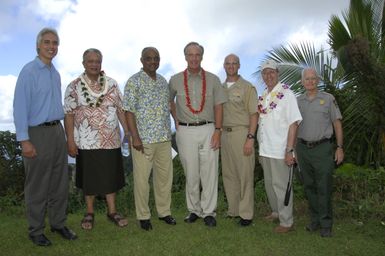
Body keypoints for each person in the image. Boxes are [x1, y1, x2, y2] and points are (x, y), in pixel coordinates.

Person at [13, 27, 77, 246]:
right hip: (37, 133)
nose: (52, 47)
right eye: (47, 42)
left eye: (55, 43)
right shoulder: (28, 71)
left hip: (56, 131)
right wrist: (24, 140)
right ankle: (36, 230)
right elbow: (19, 107)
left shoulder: (54, 72)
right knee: (38, 185)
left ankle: (58, 223)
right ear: (38, 45)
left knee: (59, 182)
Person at [64, 48, 128, 230]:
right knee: (89, 179)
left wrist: (128, 133)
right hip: (85, 140)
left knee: (110, 176)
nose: (94, 64)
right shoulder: (74, 86)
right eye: (90, 61)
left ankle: (112, 211)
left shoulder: (112, 84)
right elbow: (68, 115)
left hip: (111, 139)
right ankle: (89, 212)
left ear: (101, 63)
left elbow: (121, 110)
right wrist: (70, 140)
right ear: (83, 63)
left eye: (97, 61)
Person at [169, 42, 227, 227]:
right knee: (191, 173)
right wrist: (175, 118)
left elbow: (219, 106)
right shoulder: (175, 79)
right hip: (185, 131)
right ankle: (194, 210)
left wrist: (218, 130)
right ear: (185, 56)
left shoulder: (213, 79)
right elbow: (169, 101)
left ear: (202, 56)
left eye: (197, 55)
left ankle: (209, 212)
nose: (194, 58)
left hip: (208, 129)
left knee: (209, 172)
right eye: (190, 54)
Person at [123, 47, 176, 231]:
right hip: (142, 140)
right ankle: (143, 216)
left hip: (163, 138)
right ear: (141, 60)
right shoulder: (134, 82)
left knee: (164, 178)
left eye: (156, 58)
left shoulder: (162, 81)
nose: (152, 61)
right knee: (142, 180)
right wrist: (134, 137)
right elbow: (128, 111)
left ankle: (164, 212)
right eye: (148, 58)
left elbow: (170, 106)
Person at [296, 67, 344, 237]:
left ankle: (326, 223)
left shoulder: (328, 99)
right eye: (307, 79)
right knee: (309, 186)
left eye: (313, 78)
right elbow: (292, 126)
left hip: (323, 148)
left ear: (318, 80)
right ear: (302, 82)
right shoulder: (297, 101)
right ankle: (315, 220)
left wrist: (339, 147)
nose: (310, 81)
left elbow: (337, 124)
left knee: (323, 186)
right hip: (302, 149)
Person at [257, 59, 302, 233]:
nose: (268, 76)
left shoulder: (287, 94)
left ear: (278, 74)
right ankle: (276, 212)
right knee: (270, 184)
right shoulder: (263, 96)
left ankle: (287, 222)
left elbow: (294, 123)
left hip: (280, 149)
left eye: (272, 72)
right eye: (265, 73)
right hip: (265, 149)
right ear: (262, 76)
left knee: (281, 185)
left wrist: (289, 150)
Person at [221, 54, 258, 226]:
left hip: (241, 134)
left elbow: (254, 114)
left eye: (234, 63)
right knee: (229, 174)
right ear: (224, 66)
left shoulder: (247, 87)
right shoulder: (220, 88)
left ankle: (246, 214)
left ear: (239, 65)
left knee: (244, 175)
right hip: (224, 135)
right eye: (228, 63)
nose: (231, 66)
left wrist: (250, 138)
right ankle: (233, 210)